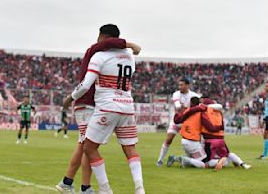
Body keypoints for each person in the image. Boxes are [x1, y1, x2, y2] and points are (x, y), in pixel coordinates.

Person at [56, 24, 142, 194]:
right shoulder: (95, 50)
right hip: (87, 102)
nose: (97, 39)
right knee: (86, 145)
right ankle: (80, 186)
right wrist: (130, 45)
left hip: (91, 102)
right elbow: (105, 45)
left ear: (102, 36)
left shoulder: (101, 53)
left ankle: (71, 183)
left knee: (85, 145)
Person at [170, 97, 252, 170]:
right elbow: (222, 126)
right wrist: (219, 128)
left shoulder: (202, 112)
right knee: (228, 153)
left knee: (205, 163)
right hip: (221, 139)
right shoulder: (219, 113)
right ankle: (242, 163)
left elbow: (209, 127)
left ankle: (221, 161)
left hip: (209, 140)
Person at [156, 78, 200, 166]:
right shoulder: (176, 94)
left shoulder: (194, 95)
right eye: (179, 85)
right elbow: (178, 106)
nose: (180, 87)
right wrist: (184, 108)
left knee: (189, 141)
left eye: (182, 85)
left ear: (187, 85)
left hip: (187, 122)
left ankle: (187, 160)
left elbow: (199, 107)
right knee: (169, 139)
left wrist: (185, 108)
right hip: (177, 121)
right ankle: (160, 160)